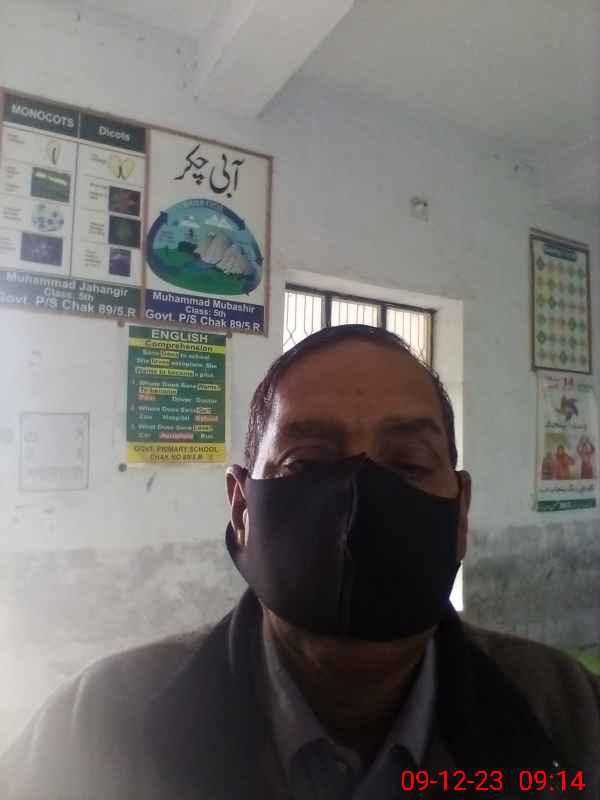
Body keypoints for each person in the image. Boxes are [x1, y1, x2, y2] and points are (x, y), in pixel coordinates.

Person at [1, 325, 599, 800]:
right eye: (307, 465)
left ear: (460, 510)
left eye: (410, 465)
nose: (361, 503)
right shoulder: (95, 728)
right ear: (242, 508)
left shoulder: (570, 719)